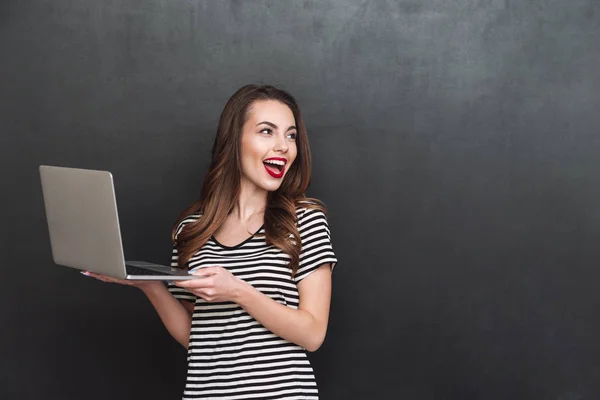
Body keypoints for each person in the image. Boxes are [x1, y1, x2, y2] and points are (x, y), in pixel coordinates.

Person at [85, 84, 338, 399]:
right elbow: (197, 338)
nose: (283, 146)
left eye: (290, 135)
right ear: (234, 141)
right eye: (266, 131)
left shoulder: (305, 220)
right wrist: (149, 286)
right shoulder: (192, 229)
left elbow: (313, 334)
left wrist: (239, 291)